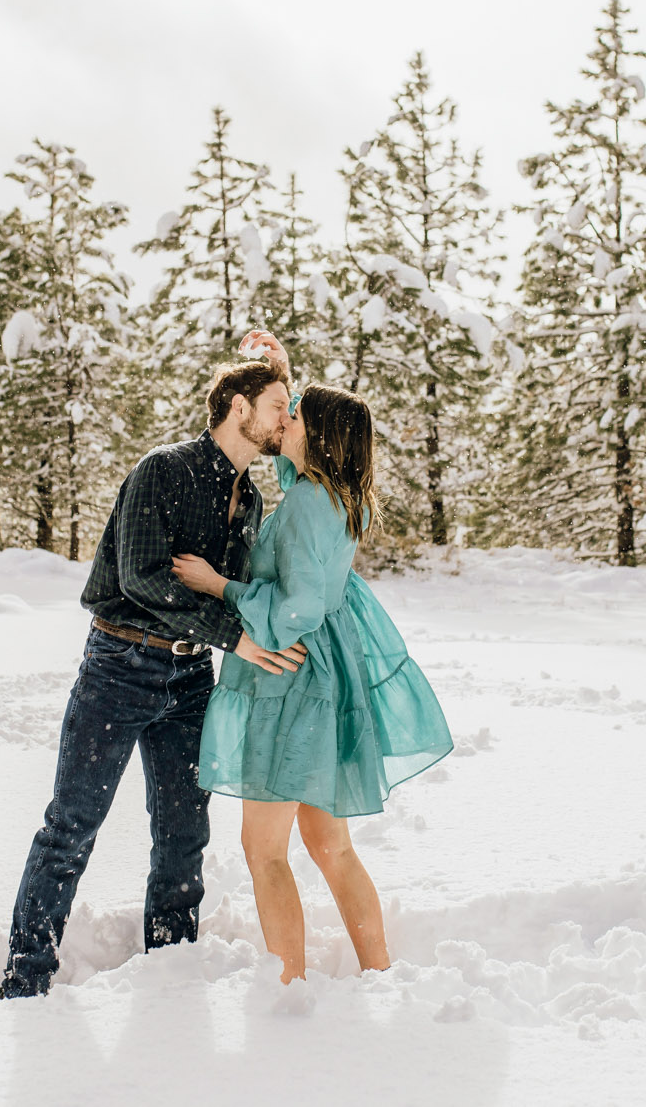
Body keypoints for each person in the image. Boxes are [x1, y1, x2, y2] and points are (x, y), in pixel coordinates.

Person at [0, 354, 310, 1000]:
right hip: (120, 665)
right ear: (239, 408)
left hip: (191, 677)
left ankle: (171, 971)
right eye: (280, 403)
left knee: (184, 833)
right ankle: (25, 979)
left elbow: (235, 587)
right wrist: (236, 638)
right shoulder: (161, 471)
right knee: (72, 825)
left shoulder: (250, 498)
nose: (288, 416)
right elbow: (141, 574)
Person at [173, 356, 453, 984]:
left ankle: (287, 987)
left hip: (289, 677)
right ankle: (379, 973)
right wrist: (280, 368)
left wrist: (220, 586)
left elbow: (295, 607)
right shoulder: (334, 496)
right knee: (330, 845)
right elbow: (285, 461)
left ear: (315, 435)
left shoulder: (302, 506)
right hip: (324, 678)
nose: (283, 419)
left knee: (263, 849)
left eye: (292, 413)